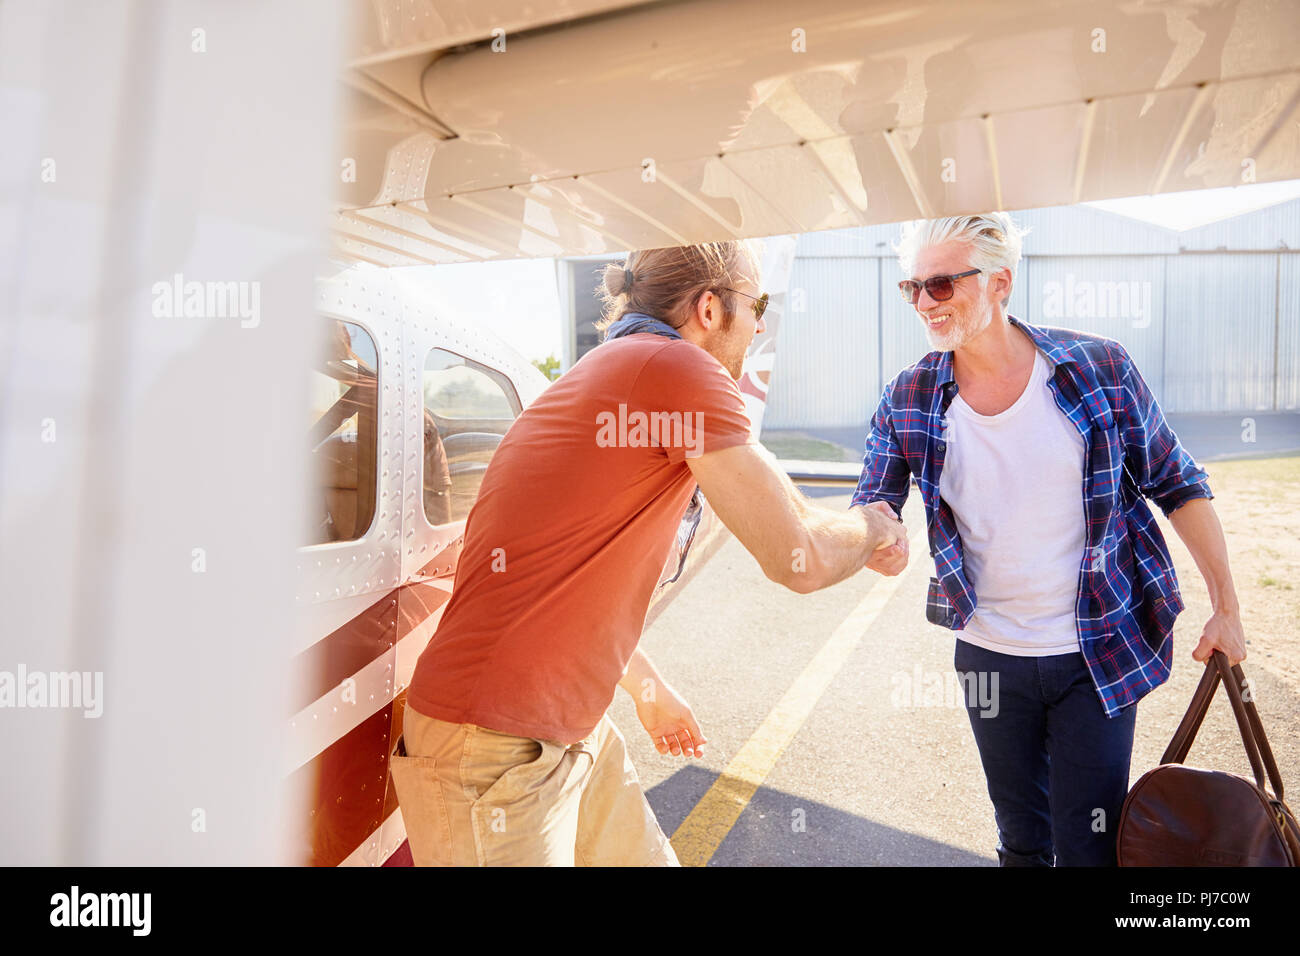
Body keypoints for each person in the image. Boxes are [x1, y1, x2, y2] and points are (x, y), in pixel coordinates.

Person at [392, 239, 907, 866]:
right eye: (757, 303)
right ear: (710, 309)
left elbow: (562, 573)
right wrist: (876, 526)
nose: (763, 322)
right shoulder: (677, 370)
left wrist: (645, 684)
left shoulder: (620, 368)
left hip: (565, 727)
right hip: (495, 748)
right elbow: (797, 556)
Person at [855, 212, 1245, 867]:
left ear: (1000, 282)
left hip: (1095, 654)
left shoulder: (1099, 369)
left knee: (1090, 845)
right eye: (912, 288)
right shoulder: (912, 393)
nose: (924, 303)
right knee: (1022, 840)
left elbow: (1177, 482)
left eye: (943, 285)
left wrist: (1228, 608)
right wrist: (876, 538)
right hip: (988, 657)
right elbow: (873, 500)